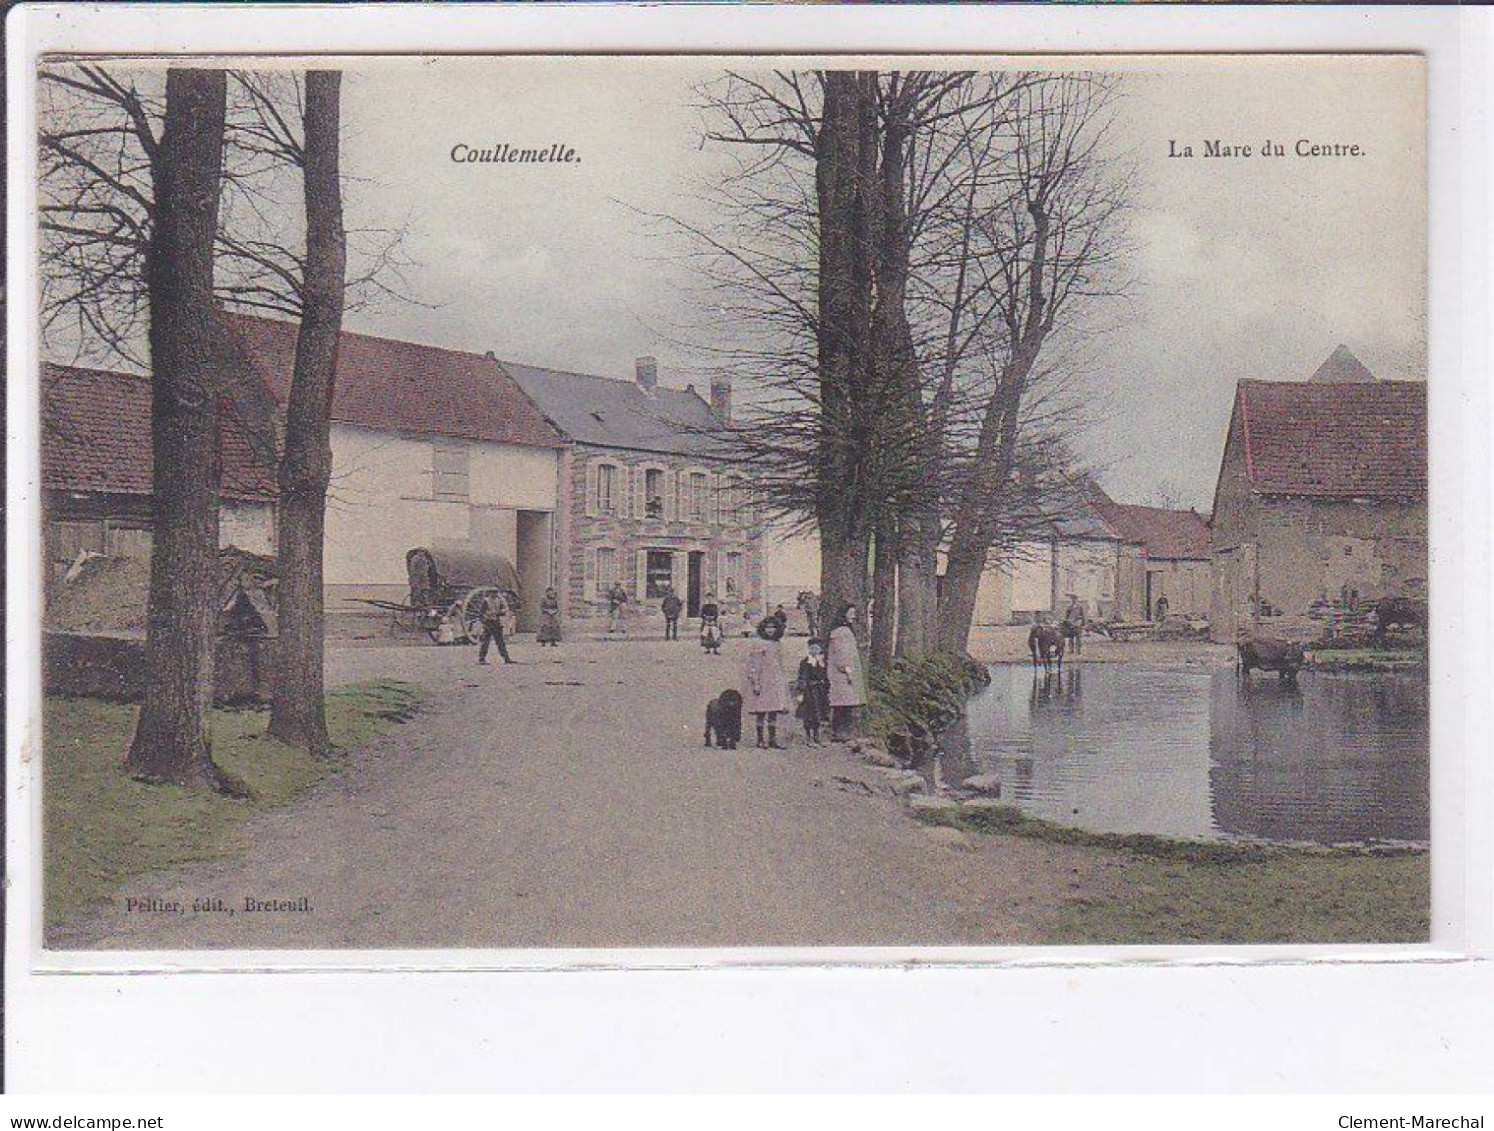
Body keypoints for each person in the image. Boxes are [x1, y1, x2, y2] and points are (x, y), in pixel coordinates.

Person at [743, 615, 790, 749]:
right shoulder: (759, 644)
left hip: (775, 682)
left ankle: (772, 739)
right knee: (761, 711)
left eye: (773, 627)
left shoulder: (777, 644)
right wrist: (755, 682)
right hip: (763, 681)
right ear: (763, 628)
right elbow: (754, 664)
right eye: (768, 627)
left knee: (773, 711)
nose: (770, 630)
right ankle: (760, 739)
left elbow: (780, 664)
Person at [826, 602, 867, 741]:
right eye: (851, 613)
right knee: (842, 704)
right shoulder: (840, 632)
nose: (853, 616)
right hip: (842, 674)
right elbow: (841, 654)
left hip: (846, 672)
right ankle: (838, 732)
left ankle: (842, 732)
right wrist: (847, 670)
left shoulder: (845, 631)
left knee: (846, 703)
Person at [794, 639, 831, 746]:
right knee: (809, 713)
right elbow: (802, 676)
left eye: (817, 648)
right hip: (809, 691)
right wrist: (801, 689)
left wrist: (827, 688)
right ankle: (808, 737)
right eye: (812, 648)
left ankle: (816, 735)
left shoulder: (823, 662)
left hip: (820, 691)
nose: (814, 650)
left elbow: (826, 677)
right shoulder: (806, 662)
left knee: (819, 714)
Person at [476, 589, 515, 665]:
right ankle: (481, 659)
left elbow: (501, 611)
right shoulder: (486, 601)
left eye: (496, 592)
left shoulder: (499, 600)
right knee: (485, 642)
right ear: (490, 593)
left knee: (500, 641)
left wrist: (502, 612)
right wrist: (483, 622)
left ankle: (506, 658)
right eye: (494, 593)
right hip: (489, 622)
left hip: (496, 622)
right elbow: (481, 613)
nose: (496, 594)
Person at [699, 590, 722, 655]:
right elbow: (701, 614)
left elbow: (716, 614)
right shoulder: (705, 606)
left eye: (711, 598)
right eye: (708, 598)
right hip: (706, 622)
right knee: (706, 635)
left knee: (715, 635)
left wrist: (713, 618)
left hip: (713, 622)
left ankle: (715, 649)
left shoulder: (715, 606)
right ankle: (707, 648)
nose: (709, 599)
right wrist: (705, 618)